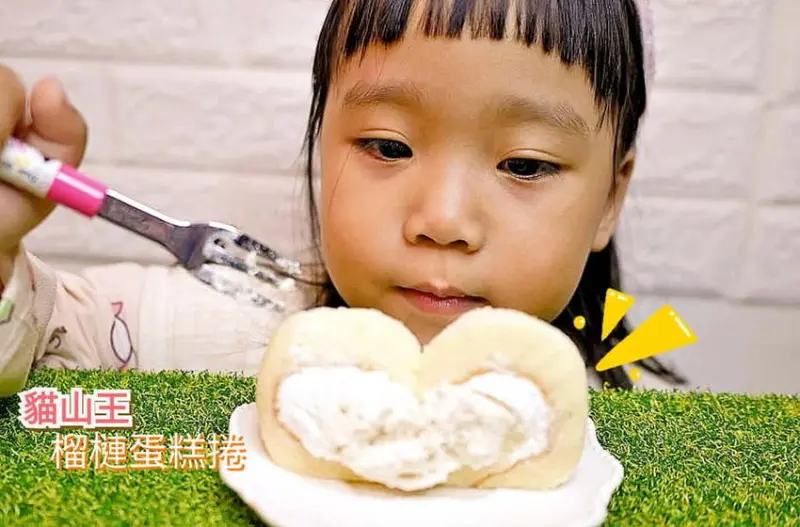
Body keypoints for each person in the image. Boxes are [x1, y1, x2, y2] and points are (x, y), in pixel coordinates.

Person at [0, 0, 687, 398]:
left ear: (610, 198)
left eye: (525, 164)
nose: (443, 220)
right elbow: (41, 340)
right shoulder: (224, 330)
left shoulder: (638, 422)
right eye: (388, 146)